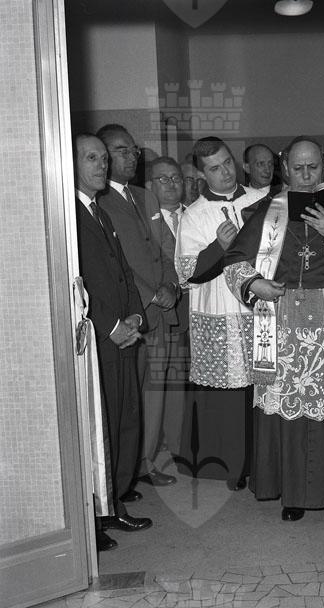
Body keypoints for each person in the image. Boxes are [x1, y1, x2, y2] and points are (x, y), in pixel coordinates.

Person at [224, 136, 324, 521]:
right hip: (284, 325)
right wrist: (254, 284)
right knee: (289, 411)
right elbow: (234, 262)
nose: (307, 175)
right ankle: (293, 494)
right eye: (299, 168)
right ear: (285, 168)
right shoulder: (268, 211)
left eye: (313, 167)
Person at [73, 134, 152, 551]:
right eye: (92, 158)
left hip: (123, 331)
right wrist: (111, 326)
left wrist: (136, 315)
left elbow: (123, 271)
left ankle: (115, 500)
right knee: (100, 427)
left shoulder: (99, 211)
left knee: (124, 417)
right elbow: (77, 283)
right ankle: (96, 515)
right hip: (99, 337)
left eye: (104, 157)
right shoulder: (69, 214)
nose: (102, 165)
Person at [174, 137, 263, 489]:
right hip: (219, 311)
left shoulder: (259, 201)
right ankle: (234, 465)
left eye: (227, 162)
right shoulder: (194, 215)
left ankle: (266, 461)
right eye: (214, 168)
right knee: (229, 392)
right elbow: (188, 273)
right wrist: (219, 246)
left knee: (263, 385)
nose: (225, 172)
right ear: (201, 174)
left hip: (261, 310)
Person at [97, 124, 179, 490]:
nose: (131, 157)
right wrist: (150, 293)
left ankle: (146, 463)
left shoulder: (145, 196)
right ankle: (123, 472)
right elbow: (115, 265)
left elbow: (166, 248)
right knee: (126, 397)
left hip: (160, 311)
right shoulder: (97, 202)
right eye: (121, 150)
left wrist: (171, 285)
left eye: (133, 151)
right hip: (131, 313)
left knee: (154, 392)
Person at [146, 156, 191, 456]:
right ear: (150, 185)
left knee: (186, 386)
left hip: (198, 314)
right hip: (163, 314)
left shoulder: (196, 215)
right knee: (161, 385)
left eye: (176, 178)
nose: (172, 184)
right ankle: (157, 449)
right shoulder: (143, 221)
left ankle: (179, 445)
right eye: (163, 179)